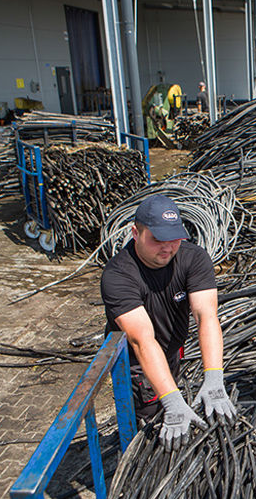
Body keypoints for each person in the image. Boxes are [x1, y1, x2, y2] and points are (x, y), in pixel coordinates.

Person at [101, 194, 236, 452]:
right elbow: (142, 340)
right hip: (137, 363)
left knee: (173, 406)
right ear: (135, 233)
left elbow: (206, 315)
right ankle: (139, 454)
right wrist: (172, 401)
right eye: (157, 239)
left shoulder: (193, 258)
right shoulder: (118, 274)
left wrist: (214, 378)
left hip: (171, 351)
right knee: (153, 422)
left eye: (173, 238)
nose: (167, 247)